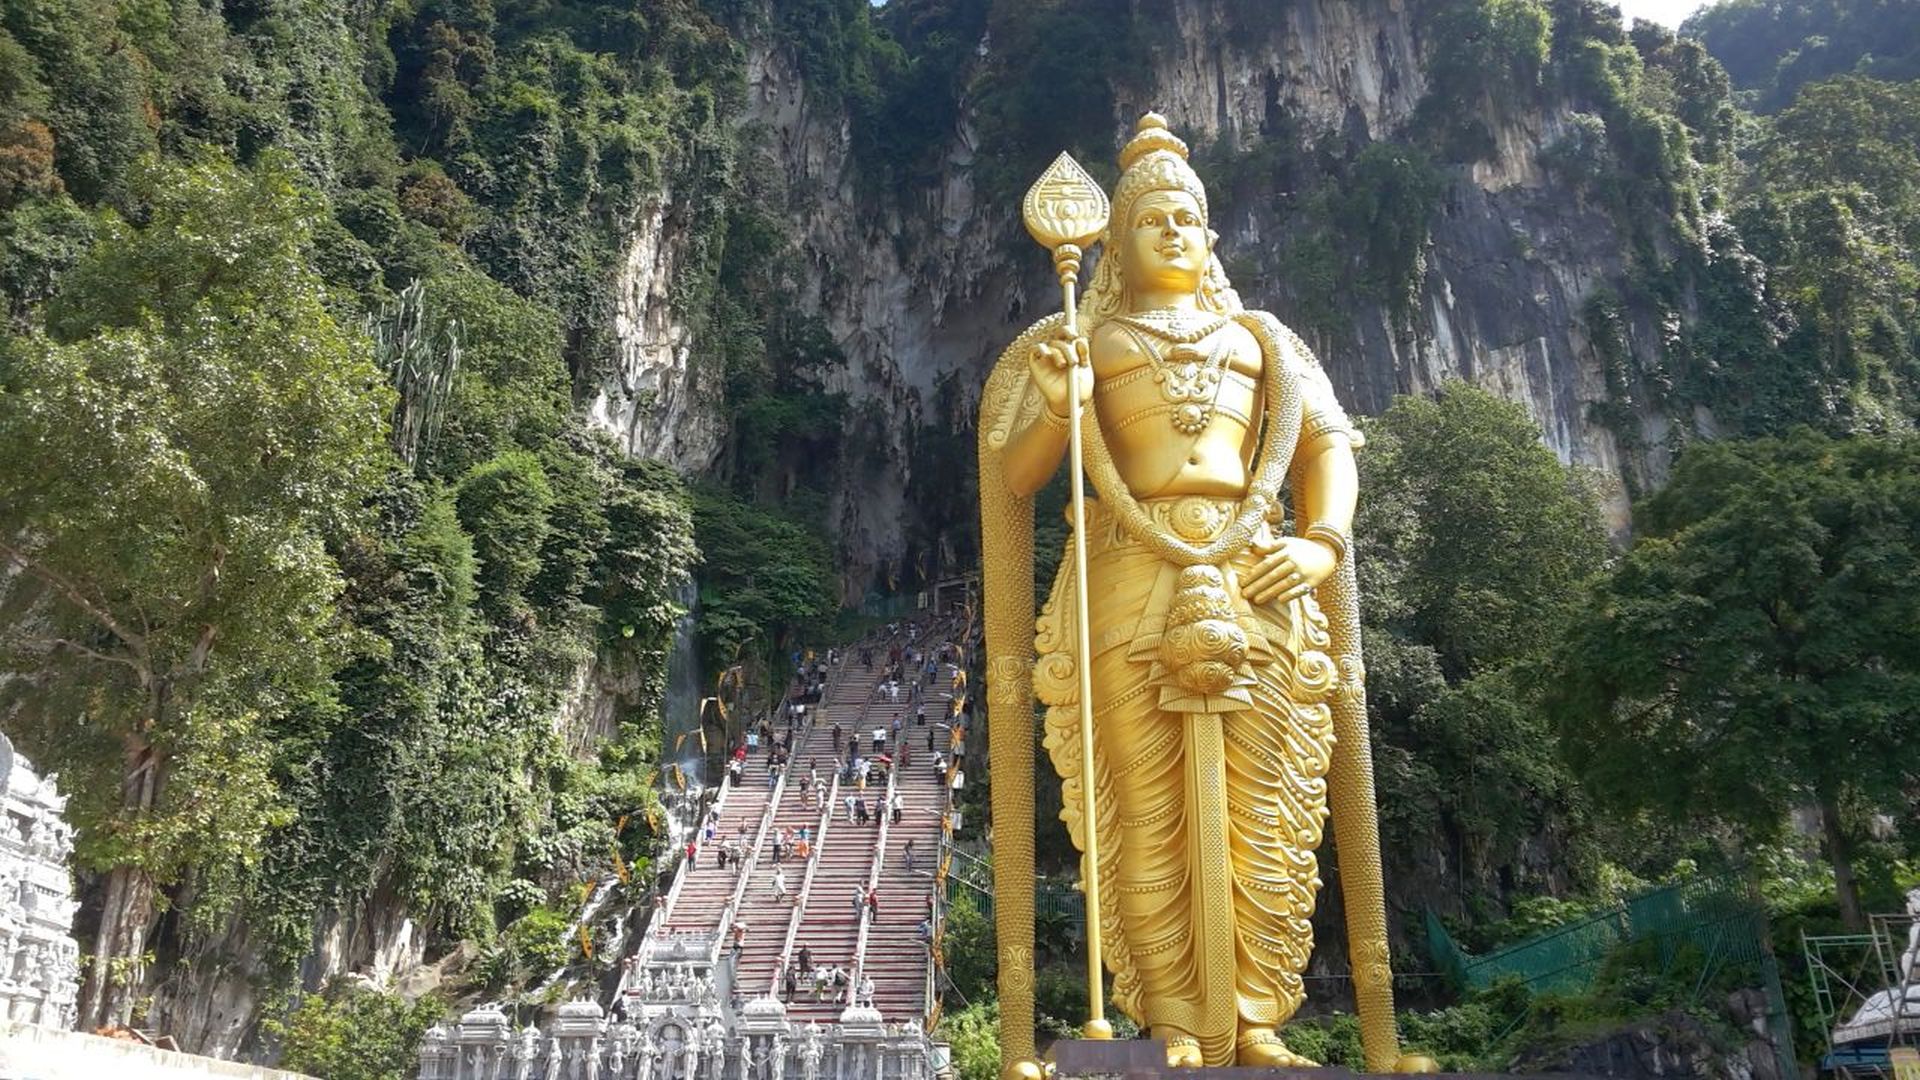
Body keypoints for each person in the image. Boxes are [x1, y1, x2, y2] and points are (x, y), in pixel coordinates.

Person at [979, 113, 1391, 1069]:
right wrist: (1058, 403)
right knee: (1146, 801)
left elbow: (1327, 447)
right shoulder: (1085, 336)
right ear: (1115, 242)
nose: (1173, 231)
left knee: (1268, 799)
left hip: (1259, 569)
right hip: (1127, 571)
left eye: (1188, 218)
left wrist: (1324, 542)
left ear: (1210, 238)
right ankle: (1171, 1021)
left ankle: (1256, 1019)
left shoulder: (1266, 341)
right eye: (1153, 218)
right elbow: (1017, 476)